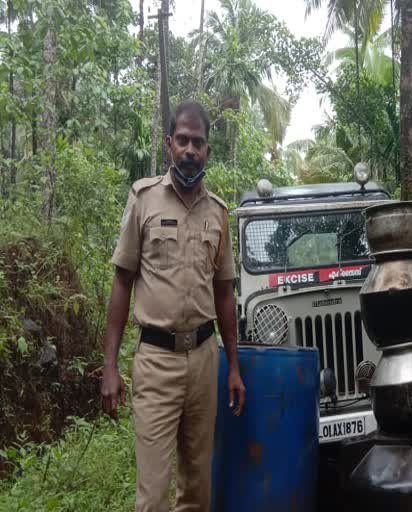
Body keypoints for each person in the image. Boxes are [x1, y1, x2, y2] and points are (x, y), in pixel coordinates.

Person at [100, 100, 246, 512]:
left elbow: (224, 294)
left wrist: (232, 366)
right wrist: (109, 367)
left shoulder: (218, 213)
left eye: (198, 142)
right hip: (156, 363)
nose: (190, 150)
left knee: (198, 491)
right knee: (153, 495)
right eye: (182, 140)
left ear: (207, 151)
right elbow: (122, 279)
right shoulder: (143, 199)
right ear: (169, 144)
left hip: (203, 361)